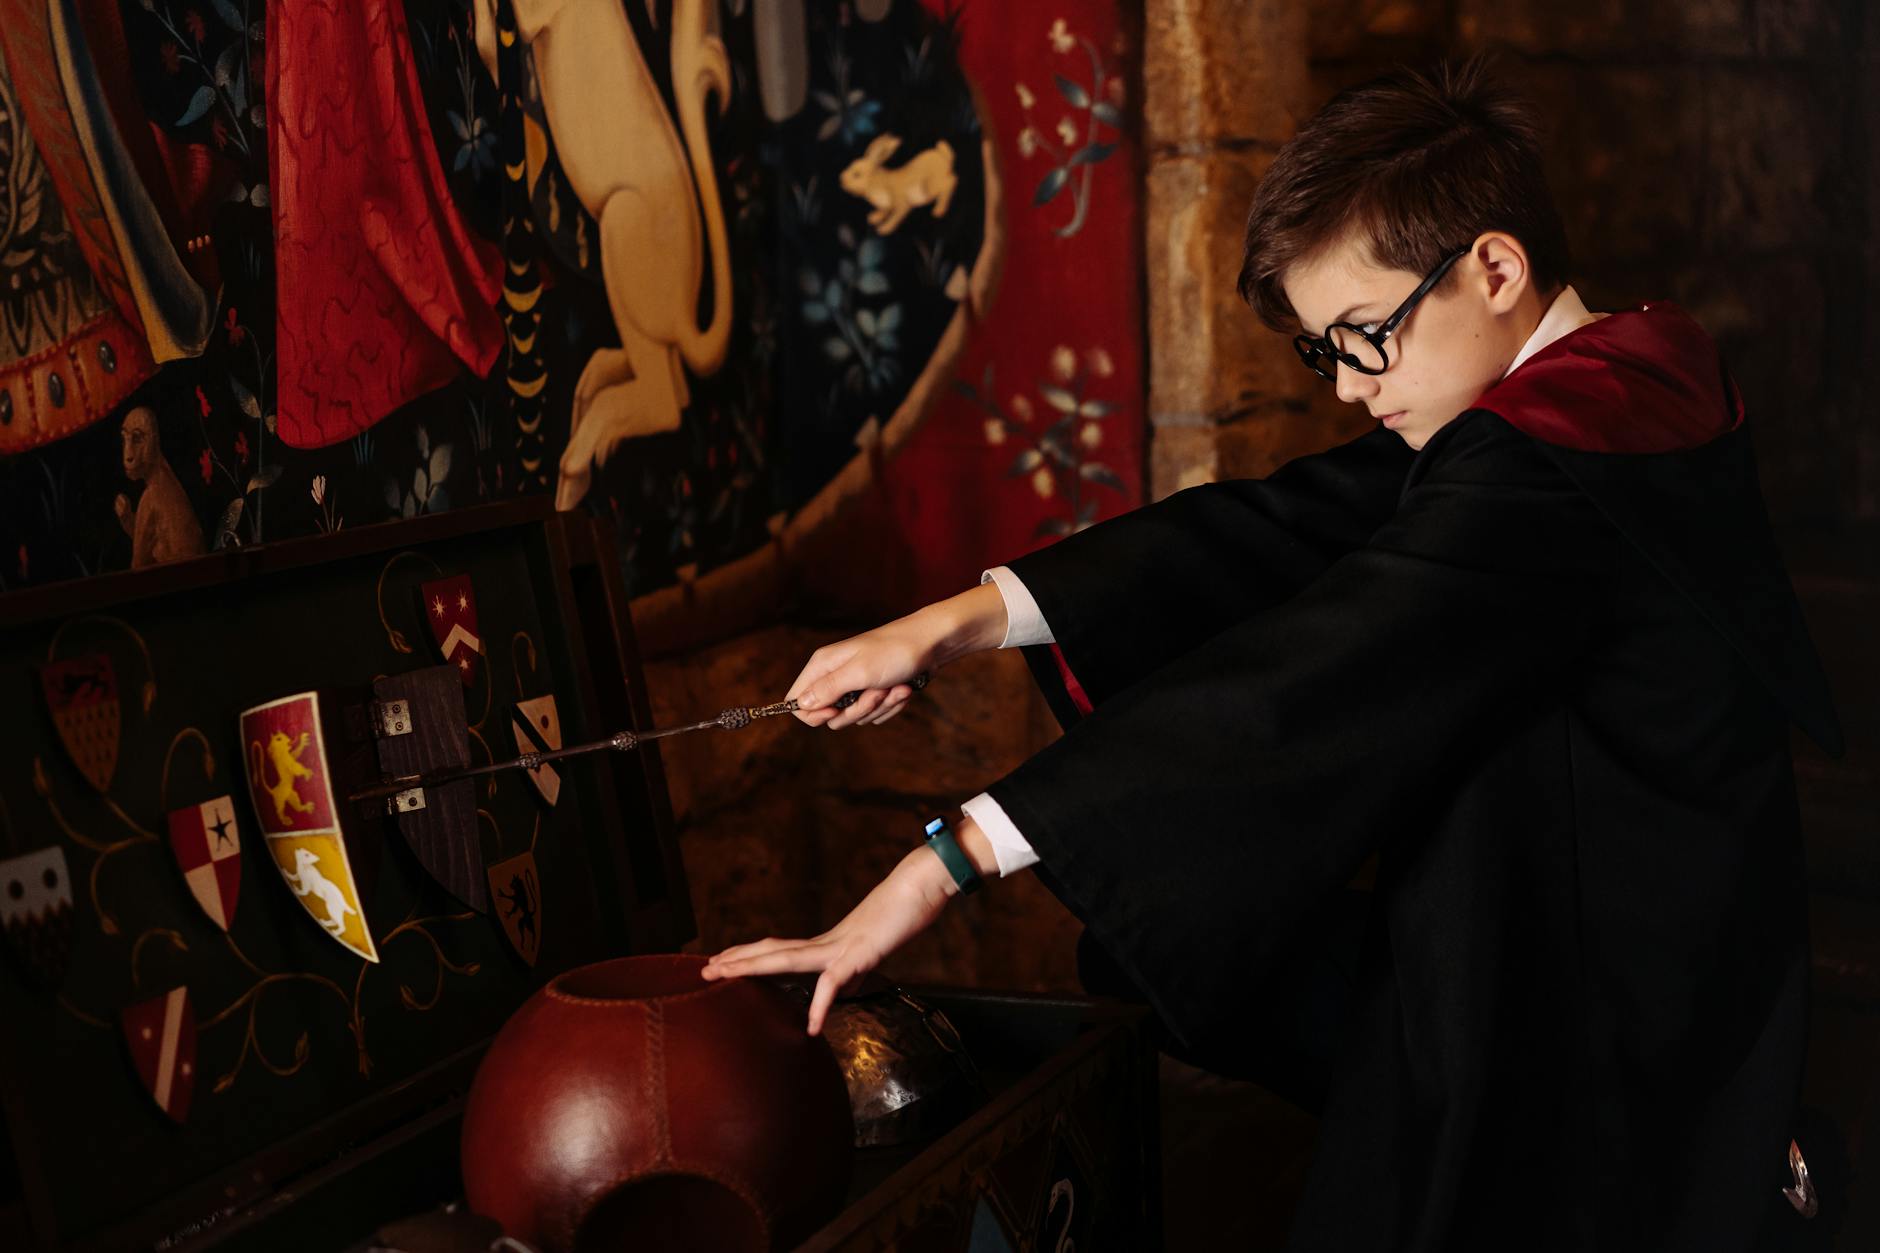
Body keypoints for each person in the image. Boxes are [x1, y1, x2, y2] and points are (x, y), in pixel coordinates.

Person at [702, 55, 1842, 1251]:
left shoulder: (1538, 463)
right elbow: (1280, 524)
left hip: (1581, 1008)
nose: (1348, 388)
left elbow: (1303, 675)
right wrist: (948, 622)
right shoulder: (1633, 368)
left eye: (1364, 336)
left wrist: (942, 858)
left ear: (1494, 268)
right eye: (1323, 351)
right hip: (1625, 940)